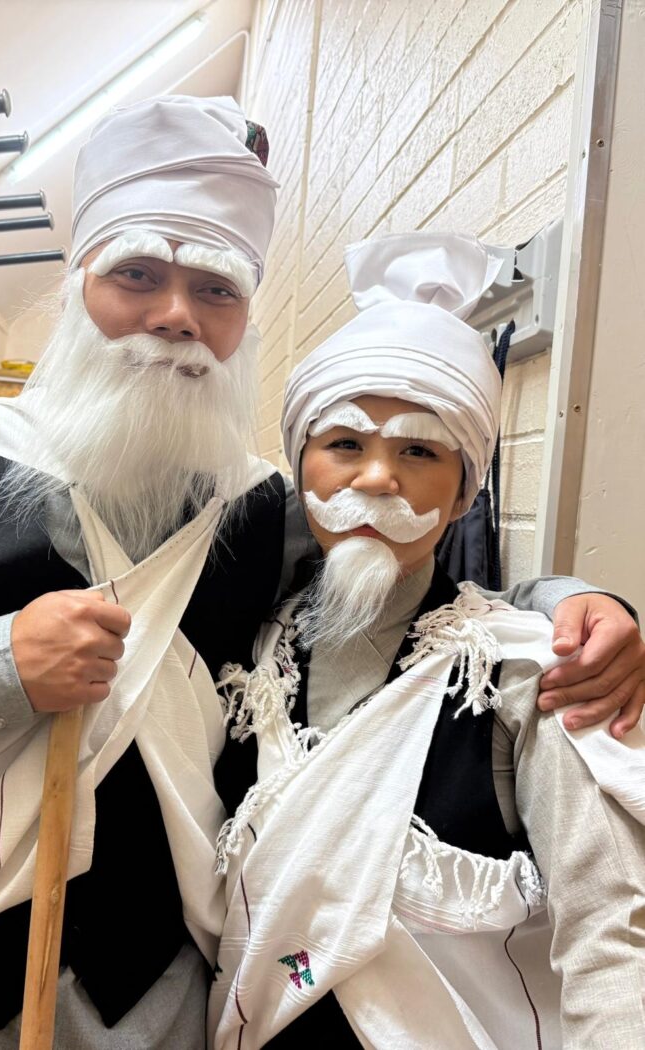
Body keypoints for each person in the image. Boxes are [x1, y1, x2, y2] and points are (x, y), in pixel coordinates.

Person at [0, 97, 639, 1050]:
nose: (176, 316)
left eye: (215, 289)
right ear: (79, 284)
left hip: (164, 1009)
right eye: (137, 274)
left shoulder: (261, 507)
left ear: (243, 322)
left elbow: (408, 560)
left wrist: (577, 604)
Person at [209, 232, 645, 1050]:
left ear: (463, 492)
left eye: (417, 450)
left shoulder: (521, 674)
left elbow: (611, 930)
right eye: (345, 444)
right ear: (302, 469)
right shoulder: (250, 654)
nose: (377, 478)